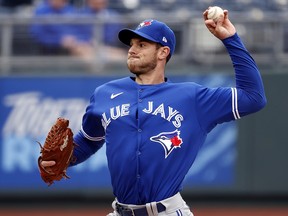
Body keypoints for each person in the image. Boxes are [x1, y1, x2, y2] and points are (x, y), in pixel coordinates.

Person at [41, 8, 267, 216]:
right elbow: (89, 140)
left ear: (163, 52)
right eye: (131, 44)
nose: (132, 50)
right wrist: (64, 159)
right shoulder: (104, 94)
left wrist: (230, 39)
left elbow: (253, 97)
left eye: (142, 45)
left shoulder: (192, 98)